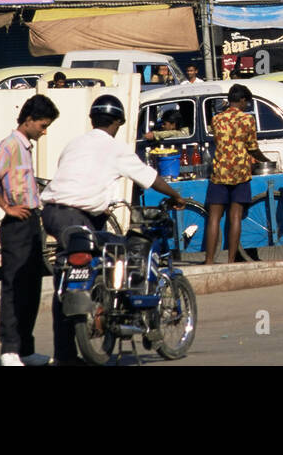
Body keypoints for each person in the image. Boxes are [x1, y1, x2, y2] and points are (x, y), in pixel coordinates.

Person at [41, 94, 185, 366]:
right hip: (75, 217)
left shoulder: (74, 144)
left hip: (52, 214)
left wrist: (100, 203)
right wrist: (176, 195)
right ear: (118, 121)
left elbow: (78, 178)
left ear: (92, 119)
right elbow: (150, 178)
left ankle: (66, 354)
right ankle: (110, 312)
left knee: (67, 280)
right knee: (117, 253)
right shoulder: (116, 148)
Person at [0, 94, 60, 367]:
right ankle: (9, 350)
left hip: (32, 222)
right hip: (17, 225)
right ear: (29, 120)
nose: (44, 131)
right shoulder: (10, 145)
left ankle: (25, 348)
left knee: (32, 286)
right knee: (14, 286)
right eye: (43, 125)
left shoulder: (25, 147)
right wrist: (7, 207)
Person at [204, 83, 273, 265]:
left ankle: (209, 260)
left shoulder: (217, 119)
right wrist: (264, 159)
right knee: (235, 217)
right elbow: (252, 147)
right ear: (242, 100)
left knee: (214, 218)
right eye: (246, 102)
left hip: (219, 172)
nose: (246, 106)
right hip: (240, 173)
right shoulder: (247, 120)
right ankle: (231, 260)